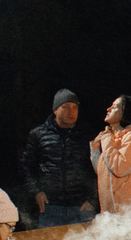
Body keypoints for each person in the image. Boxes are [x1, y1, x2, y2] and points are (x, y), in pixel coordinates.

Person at [20, 89, 95, 226]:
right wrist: (36, 192)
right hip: (50, 207)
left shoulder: (86, 136)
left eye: (74, 107)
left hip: (81, 207)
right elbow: (27, 166)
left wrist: (93, 200)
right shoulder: (38, 134)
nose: (71, 112)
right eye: (65, 107)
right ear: (55, 110)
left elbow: (97, 170)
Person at [91, 94, 131, 214]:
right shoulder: (113, 137)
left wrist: (106, 140)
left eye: (114, 107)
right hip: (111, 216)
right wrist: (96, 149)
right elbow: (103, 171)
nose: (108, 109)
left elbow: (119, 168)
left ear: (126, 112)